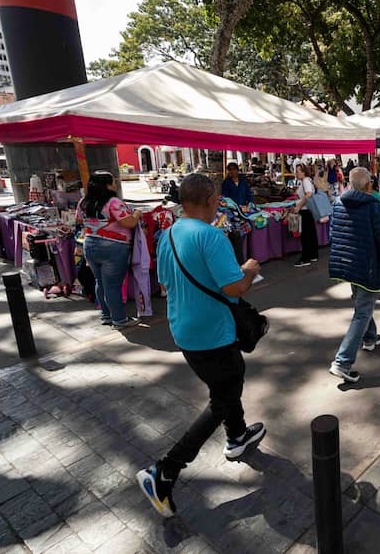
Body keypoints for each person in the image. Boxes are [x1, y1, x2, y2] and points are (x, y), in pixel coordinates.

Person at [136, 174, 265, 518]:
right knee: (223, 396)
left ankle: (237, 436)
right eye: (219, 199)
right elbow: (234, 288)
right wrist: (249, 270)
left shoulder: (168, 234)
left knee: (226, 385)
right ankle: (165, 470)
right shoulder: (212, 236)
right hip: (213, 333)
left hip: (184, 330)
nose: (219, 204)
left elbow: (166, 282)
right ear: (210, 199)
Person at [328, 167, 380, 383]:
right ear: (369, 184)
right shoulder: (373, 206)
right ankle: (342, 361)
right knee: (362, 311)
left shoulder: (339, 203)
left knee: (362, 306)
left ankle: (370, 338)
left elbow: (334, 233)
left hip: (348, 264)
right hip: (368, 266)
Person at [76, 172, 142, 329]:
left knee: (100, 282)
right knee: (113, 285)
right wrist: (137, 214)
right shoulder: (113, 202)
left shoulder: (83, 202)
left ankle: (106, 315)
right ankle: (119, 320)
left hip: (90, 244)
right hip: (114, 247)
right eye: (113, 181)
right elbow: (130, 223)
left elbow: (79, 220)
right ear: (106, 185)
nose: (115, 184)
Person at [292, 163, 319, 267]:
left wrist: (299, 205)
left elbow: (308, 194)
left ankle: (305, 258)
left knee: (306, 235)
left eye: (298, 171)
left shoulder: (305, 181)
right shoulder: (308, 180)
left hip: (305, 210)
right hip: (308, 210)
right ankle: (313, 255)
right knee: (311, 233)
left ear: (303, 172)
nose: (296, 173)